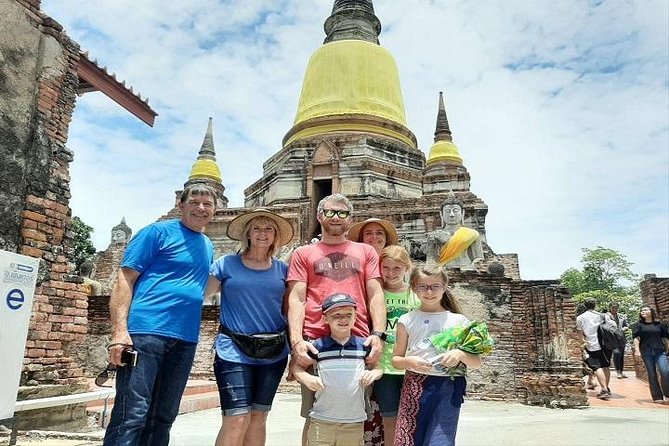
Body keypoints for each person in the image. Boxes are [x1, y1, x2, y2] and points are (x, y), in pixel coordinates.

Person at [103, 184, 216, 446]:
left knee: (164, 416)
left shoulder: (207, 245)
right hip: (146, 333)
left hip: (185, 339)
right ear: (181, 204)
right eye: (195, 202)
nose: (201, 208)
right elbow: (124, 278)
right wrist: (120, 332)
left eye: (207, 204)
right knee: (132, 413)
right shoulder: (157, 232)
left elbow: (204, 287)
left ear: (214, 209)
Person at [287, 193, 386, 446]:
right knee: (314, 413)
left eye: (342, 213)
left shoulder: (365, 251)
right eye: (330, 212)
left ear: (350, 219)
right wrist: (297, 342)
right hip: (315, 341)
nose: (335, 217)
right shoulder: (303, 253)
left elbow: (375, 294)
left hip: (357, 339)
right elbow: (296, 298)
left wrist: (378, 335)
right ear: (320, 215)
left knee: (354, 413)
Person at [205, 209, 294, 446]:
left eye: (268, 229)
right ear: (247, 233)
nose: (262, 233)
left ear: (275, 236)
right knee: (236, 417)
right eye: (257, 228)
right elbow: (200, 294)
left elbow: (291, 310)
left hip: (273, 351)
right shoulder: (226, 264)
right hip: (233, 348)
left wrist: (297, 351)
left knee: (258, 417)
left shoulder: (283, 271)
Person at [392, 265, 482, 446]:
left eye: (435, 286)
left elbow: (476, 362)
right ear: (414, 288)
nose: (429, 291)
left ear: (445, 286)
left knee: (441, 440)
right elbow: (396, 360)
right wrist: (409, 361)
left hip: (448, 387)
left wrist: (459, 353)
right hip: (415, 386)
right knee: (410, 439)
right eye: (423, 287)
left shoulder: (459, 321)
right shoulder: (406, 320)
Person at [291, 293, 383, 446]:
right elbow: (296, 366)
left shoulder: (364, 346)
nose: (343, 319)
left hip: (354, 421)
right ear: (325, 319)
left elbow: (378, 367)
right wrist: (306, 378)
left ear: (355, 317)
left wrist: (373, 373)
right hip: (322, 419)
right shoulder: (317, 346)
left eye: (348, 315)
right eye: (337, 315)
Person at [373, 245, 419, 446]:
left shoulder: (416, 296)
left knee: (413, 419)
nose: (390, 273)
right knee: (389, 419)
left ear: (407, 268)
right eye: (386, 268)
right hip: (385, 367)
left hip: (412, 367)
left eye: (397, 268)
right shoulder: (375, 295)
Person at [423, 190, 483, 268]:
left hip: (466, 272)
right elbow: (431, 261)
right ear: (441, 214)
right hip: (441, 273)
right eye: (447, 211)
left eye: (455, 211)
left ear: (462, 213)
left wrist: (470, 268)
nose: (451, 215)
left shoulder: (472, 234)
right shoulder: (434, 235)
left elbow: (478, 258)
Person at [575, 298, 614, 400]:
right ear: (595, 305)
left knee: (597, 367)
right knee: (606, 366)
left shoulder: (580, 318)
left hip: (592, 345)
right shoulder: (603, 315)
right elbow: (612, 328)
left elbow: (580, 335)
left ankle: (604, 389)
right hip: (606, 344)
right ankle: (606, 388)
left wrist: (582, 346)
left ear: (585, 305)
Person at [632, 306, 669, 403]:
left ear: (651, 312)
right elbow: (636, 338)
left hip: (660, 351)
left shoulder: (660, 324)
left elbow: (666, 337)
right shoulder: (638, 325)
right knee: (652, 373)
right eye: (641, 310)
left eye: (645, 310)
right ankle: (657, 397)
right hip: (646, 351)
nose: (642, 311)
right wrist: (637, 350)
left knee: (665, 371)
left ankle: (667, 394)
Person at [607, 303, 629, 379]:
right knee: (616, 354)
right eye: (613, 308)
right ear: (610, 308)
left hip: (621, 337)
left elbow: (626, 325)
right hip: (612, 338)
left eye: (616, 308)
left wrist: (623, 329)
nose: (615, 309)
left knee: (621, 355)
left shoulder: (622, 316)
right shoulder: (607, 317)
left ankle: (622, 371)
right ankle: (618, 371)